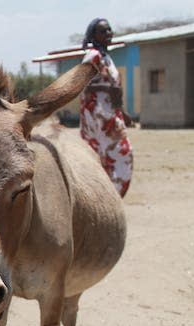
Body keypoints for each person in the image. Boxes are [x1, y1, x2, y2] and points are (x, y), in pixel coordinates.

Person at [80, 18, 133, 197]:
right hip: (98, 116)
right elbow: (81, 85)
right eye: (103, 31)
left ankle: (108, 196)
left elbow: (114, 88)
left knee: (114, 156)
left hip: (110, 113)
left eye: (110, 30)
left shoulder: (106, 57)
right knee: (118, 153)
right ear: (93, 35)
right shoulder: (93, 56)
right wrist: (106, 88)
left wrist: (122, 111)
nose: (109, 33)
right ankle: (106, 196)